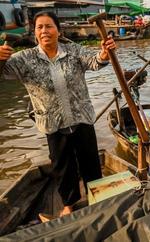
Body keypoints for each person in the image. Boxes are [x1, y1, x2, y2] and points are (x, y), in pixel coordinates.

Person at [0, 11, 116, 219]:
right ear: (35, 33)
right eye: (40, 27)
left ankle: (97, 197)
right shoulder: (24, 59)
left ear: (58, 30)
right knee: (62, 167)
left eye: (49, 26)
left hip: (81, 118)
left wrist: (104, 54)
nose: (44, 31)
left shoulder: (73, 51)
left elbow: (94, 61)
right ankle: (68, 205)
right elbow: (2, 72)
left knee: (90, 161)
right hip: (52, 122)